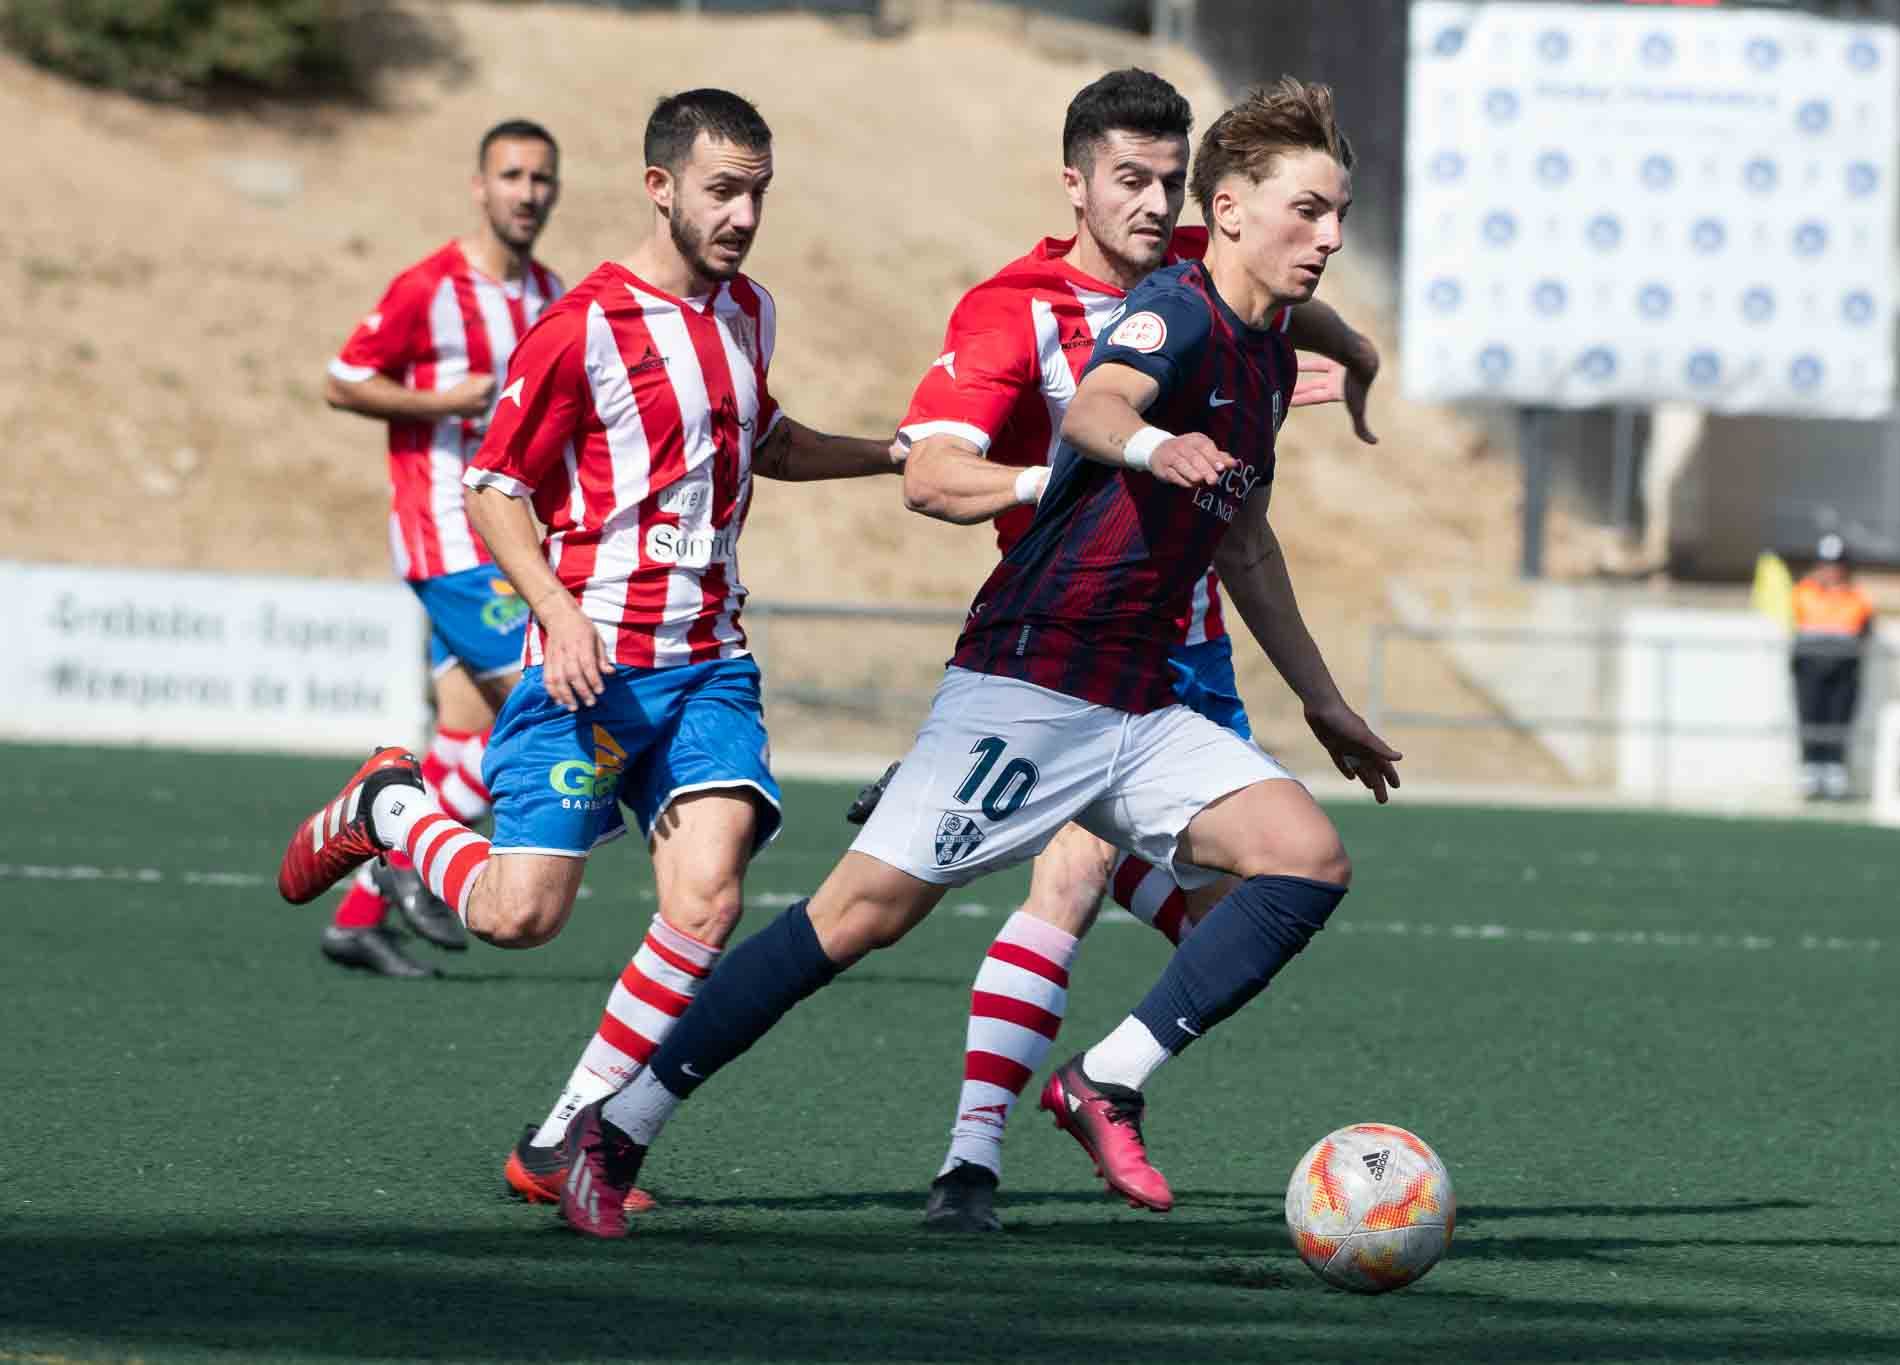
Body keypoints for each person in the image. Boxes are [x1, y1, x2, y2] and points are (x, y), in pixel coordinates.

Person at [553, 76, 1402, 1241]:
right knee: (857, 918)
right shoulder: (1178, 311)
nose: (1332, 236)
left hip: (1140, 700)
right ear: (1237, 212)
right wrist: (1155, 445)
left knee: (1303, 860)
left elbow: (1246, 542)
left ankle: (1101, 1080)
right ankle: (613, 1124)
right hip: (1030, 682)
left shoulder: (1256, 346)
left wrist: (1324, 704)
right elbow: (1097, 408)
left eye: (1340, 213)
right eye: (1309, 211)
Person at [276, 89, 901, 1205]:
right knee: (521, 918)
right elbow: (493, 486)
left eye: (757, 191)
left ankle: (565, 1137)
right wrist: (558, 616)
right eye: (721, 190)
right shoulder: (580, 326)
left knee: (705, 902)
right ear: (658, 188)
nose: (744, 214)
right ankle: (390, 809)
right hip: (590, 664)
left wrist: (896, 458)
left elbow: (768, 440)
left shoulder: (751, 309)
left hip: (708, 662)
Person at [880, 67, 1381, 1232]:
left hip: (1193, 654)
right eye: (1130, 181)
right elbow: (925, 476)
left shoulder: (1214, 263)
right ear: (1075, 185)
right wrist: (1088, 469)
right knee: (1067, 874)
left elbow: (1289, 294)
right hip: (1074, 647)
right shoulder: (1015, 306)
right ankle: (974, 1159)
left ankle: (1105, 1075)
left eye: (1170, 180)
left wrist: (1353, 352)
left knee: (1233, 920)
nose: (1157, 205)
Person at [319, 118, 566, 977]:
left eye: (541, 178)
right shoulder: (429, 287)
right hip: (448, 539)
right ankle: (403, 857)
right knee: (550, 706)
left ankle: (359, 916)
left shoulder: (552, 295)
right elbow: (342, 380)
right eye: (511, 176)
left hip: (508, 541)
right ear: (479, 185)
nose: (527, 192)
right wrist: (445, 401)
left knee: (467, 728)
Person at [1789, 533, 1873, 801]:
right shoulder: (1802, 592)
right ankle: (1811, 771)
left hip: (1843, 667)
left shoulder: (1856, 597)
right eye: (1826, 564)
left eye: (1836, 565)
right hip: (1809, 665)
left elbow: (1864, 629)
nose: (1831, 570)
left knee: (1839, 718)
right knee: (1810, 717)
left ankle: (1835, 770)